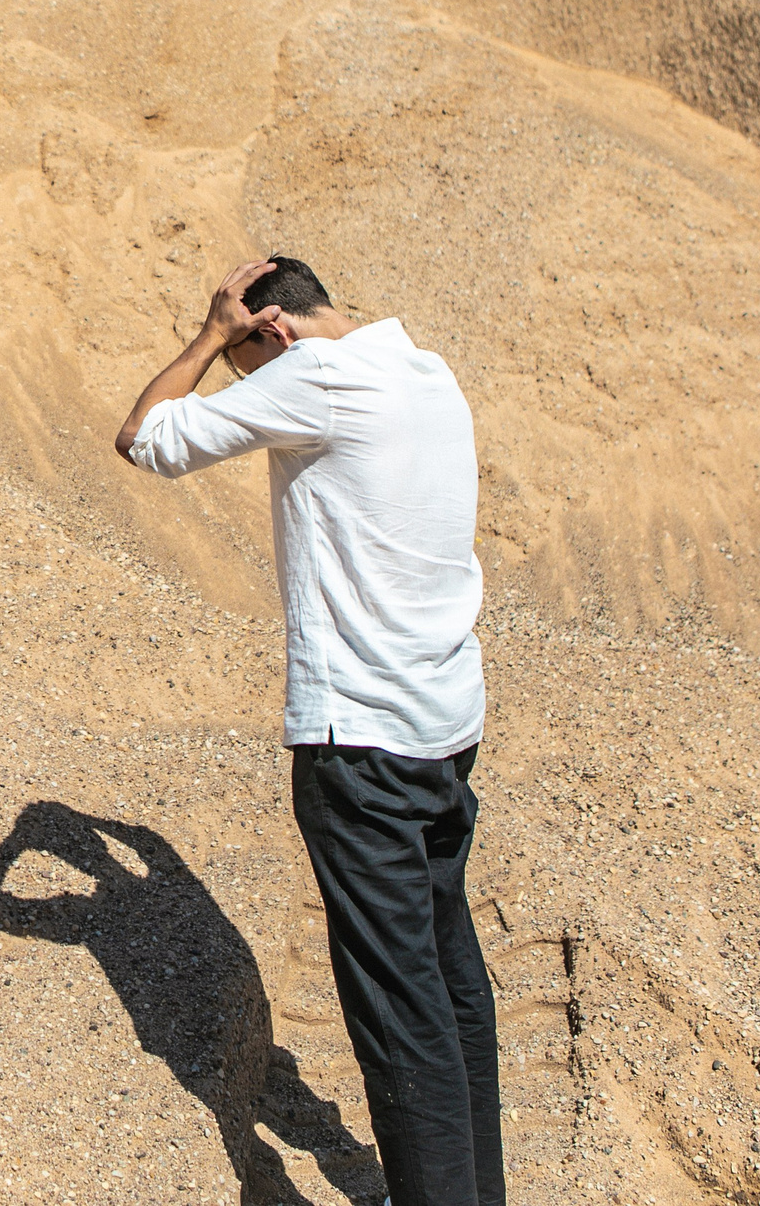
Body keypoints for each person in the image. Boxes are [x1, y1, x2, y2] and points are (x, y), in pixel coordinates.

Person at [113, 255, 500, 1206]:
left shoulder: (313, 374)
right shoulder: (428, 370)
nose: (249, 383)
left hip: (360, 743)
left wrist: (207, 335)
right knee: (451, 977)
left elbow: (144, 438)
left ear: (273, 331)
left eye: (247, 360)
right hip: (448, 726)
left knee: (397, 1010)